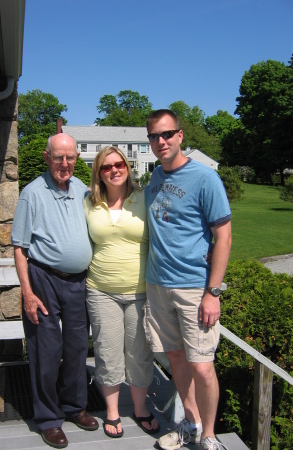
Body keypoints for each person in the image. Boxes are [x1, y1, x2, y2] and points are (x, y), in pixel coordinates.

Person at [144, 110, 232, 450]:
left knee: (203, 365)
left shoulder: (204, 178)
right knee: (176, 359)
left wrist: (213, 291)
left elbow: (223, 236)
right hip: (157, 285)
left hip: (194, 287)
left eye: (167, 134)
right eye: (154, 136)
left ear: (181, 135)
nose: (161, 141)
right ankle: (191, 424)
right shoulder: (154, 178)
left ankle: (209, 436)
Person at [11, 133, 99, 449]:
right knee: (46, 350)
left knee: (77, 347)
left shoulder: (83, 190)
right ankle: (48, 419)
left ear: (77, 158)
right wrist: (27, 292)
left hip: (78, 281)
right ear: (48, 158)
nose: (64, 163)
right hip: (43, 279)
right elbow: (19, 247)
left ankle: (75, 407)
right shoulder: (32, 193)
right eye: (58, 157)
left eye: (70, 157)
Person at [84, 146, 160, 438]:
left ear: (127, 167)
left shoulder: (144, 197)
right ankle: (113, 412)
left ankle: (140, 409)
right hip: (101, 290)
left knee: (140, 353)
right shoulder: (89, 203)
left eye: (119, 164)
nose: (114, 170)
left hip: (141, 291)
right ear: (99, 173)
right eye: (106, 167)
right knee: (107, 352)